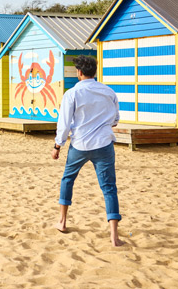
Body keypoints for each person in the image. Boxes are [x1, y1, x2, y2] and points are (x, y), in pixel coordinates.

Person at [52, 55, 123, 247]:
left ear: (79, 72)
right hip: (103, 144)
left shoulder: (72, 94)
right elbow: (116, 119)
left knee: (68, 179)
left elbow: (64, 124)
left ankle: (62, 222)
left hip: (80, 144)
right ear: (95, 72)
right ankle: (114, 236)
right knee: (109, 187)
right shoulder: (109, 92)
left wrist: (58, 146)